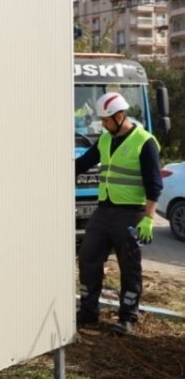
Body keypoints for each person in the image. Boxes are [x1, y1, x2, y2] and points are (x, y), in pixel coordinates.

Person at [75, 92, 162, 335]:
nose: (102, 124)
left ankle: (127, 318)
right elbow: (81, 164)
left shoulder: (144, 142)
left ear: (120, 116)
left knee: (129, 266)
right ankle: (89, 313)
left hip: (131, 215)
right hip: (104, 212)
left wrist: (148, 218)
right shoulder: (104, 140)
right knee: (88, 258)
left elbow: (154, 184)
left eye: (106, 120)